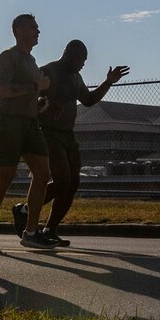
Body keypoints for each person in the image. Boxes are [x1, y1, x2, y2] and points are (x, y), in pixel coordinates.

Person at [0, 14, 54, 252]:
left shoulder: (32, 61)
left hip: (30, 124)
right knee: (6, 177)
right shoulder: (8, 56)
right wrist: (35, 87)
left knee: (43, 174)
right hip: (9, 123)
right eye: (33, 28)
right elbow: (4, 90)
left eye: (38, 28)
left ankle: (30, 232)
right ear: (18, 30)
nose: (38, 32)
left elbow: (28, 94)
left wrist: (38, 104)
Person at [37, 40, 128, 246]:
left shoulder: (76, 77)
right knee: (62, 180)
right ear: (68, 53)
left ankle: (50, 229)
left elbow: (88, 100)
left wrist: (108, 82)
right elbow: (31, 99)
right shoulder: (47, 71)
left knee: (72, 183)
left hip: (68, 135)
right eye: (80, 59)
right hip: (48, 133)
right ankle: (26, 209)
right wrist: (47, 106)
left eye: (85, 61)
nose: (83, 64)